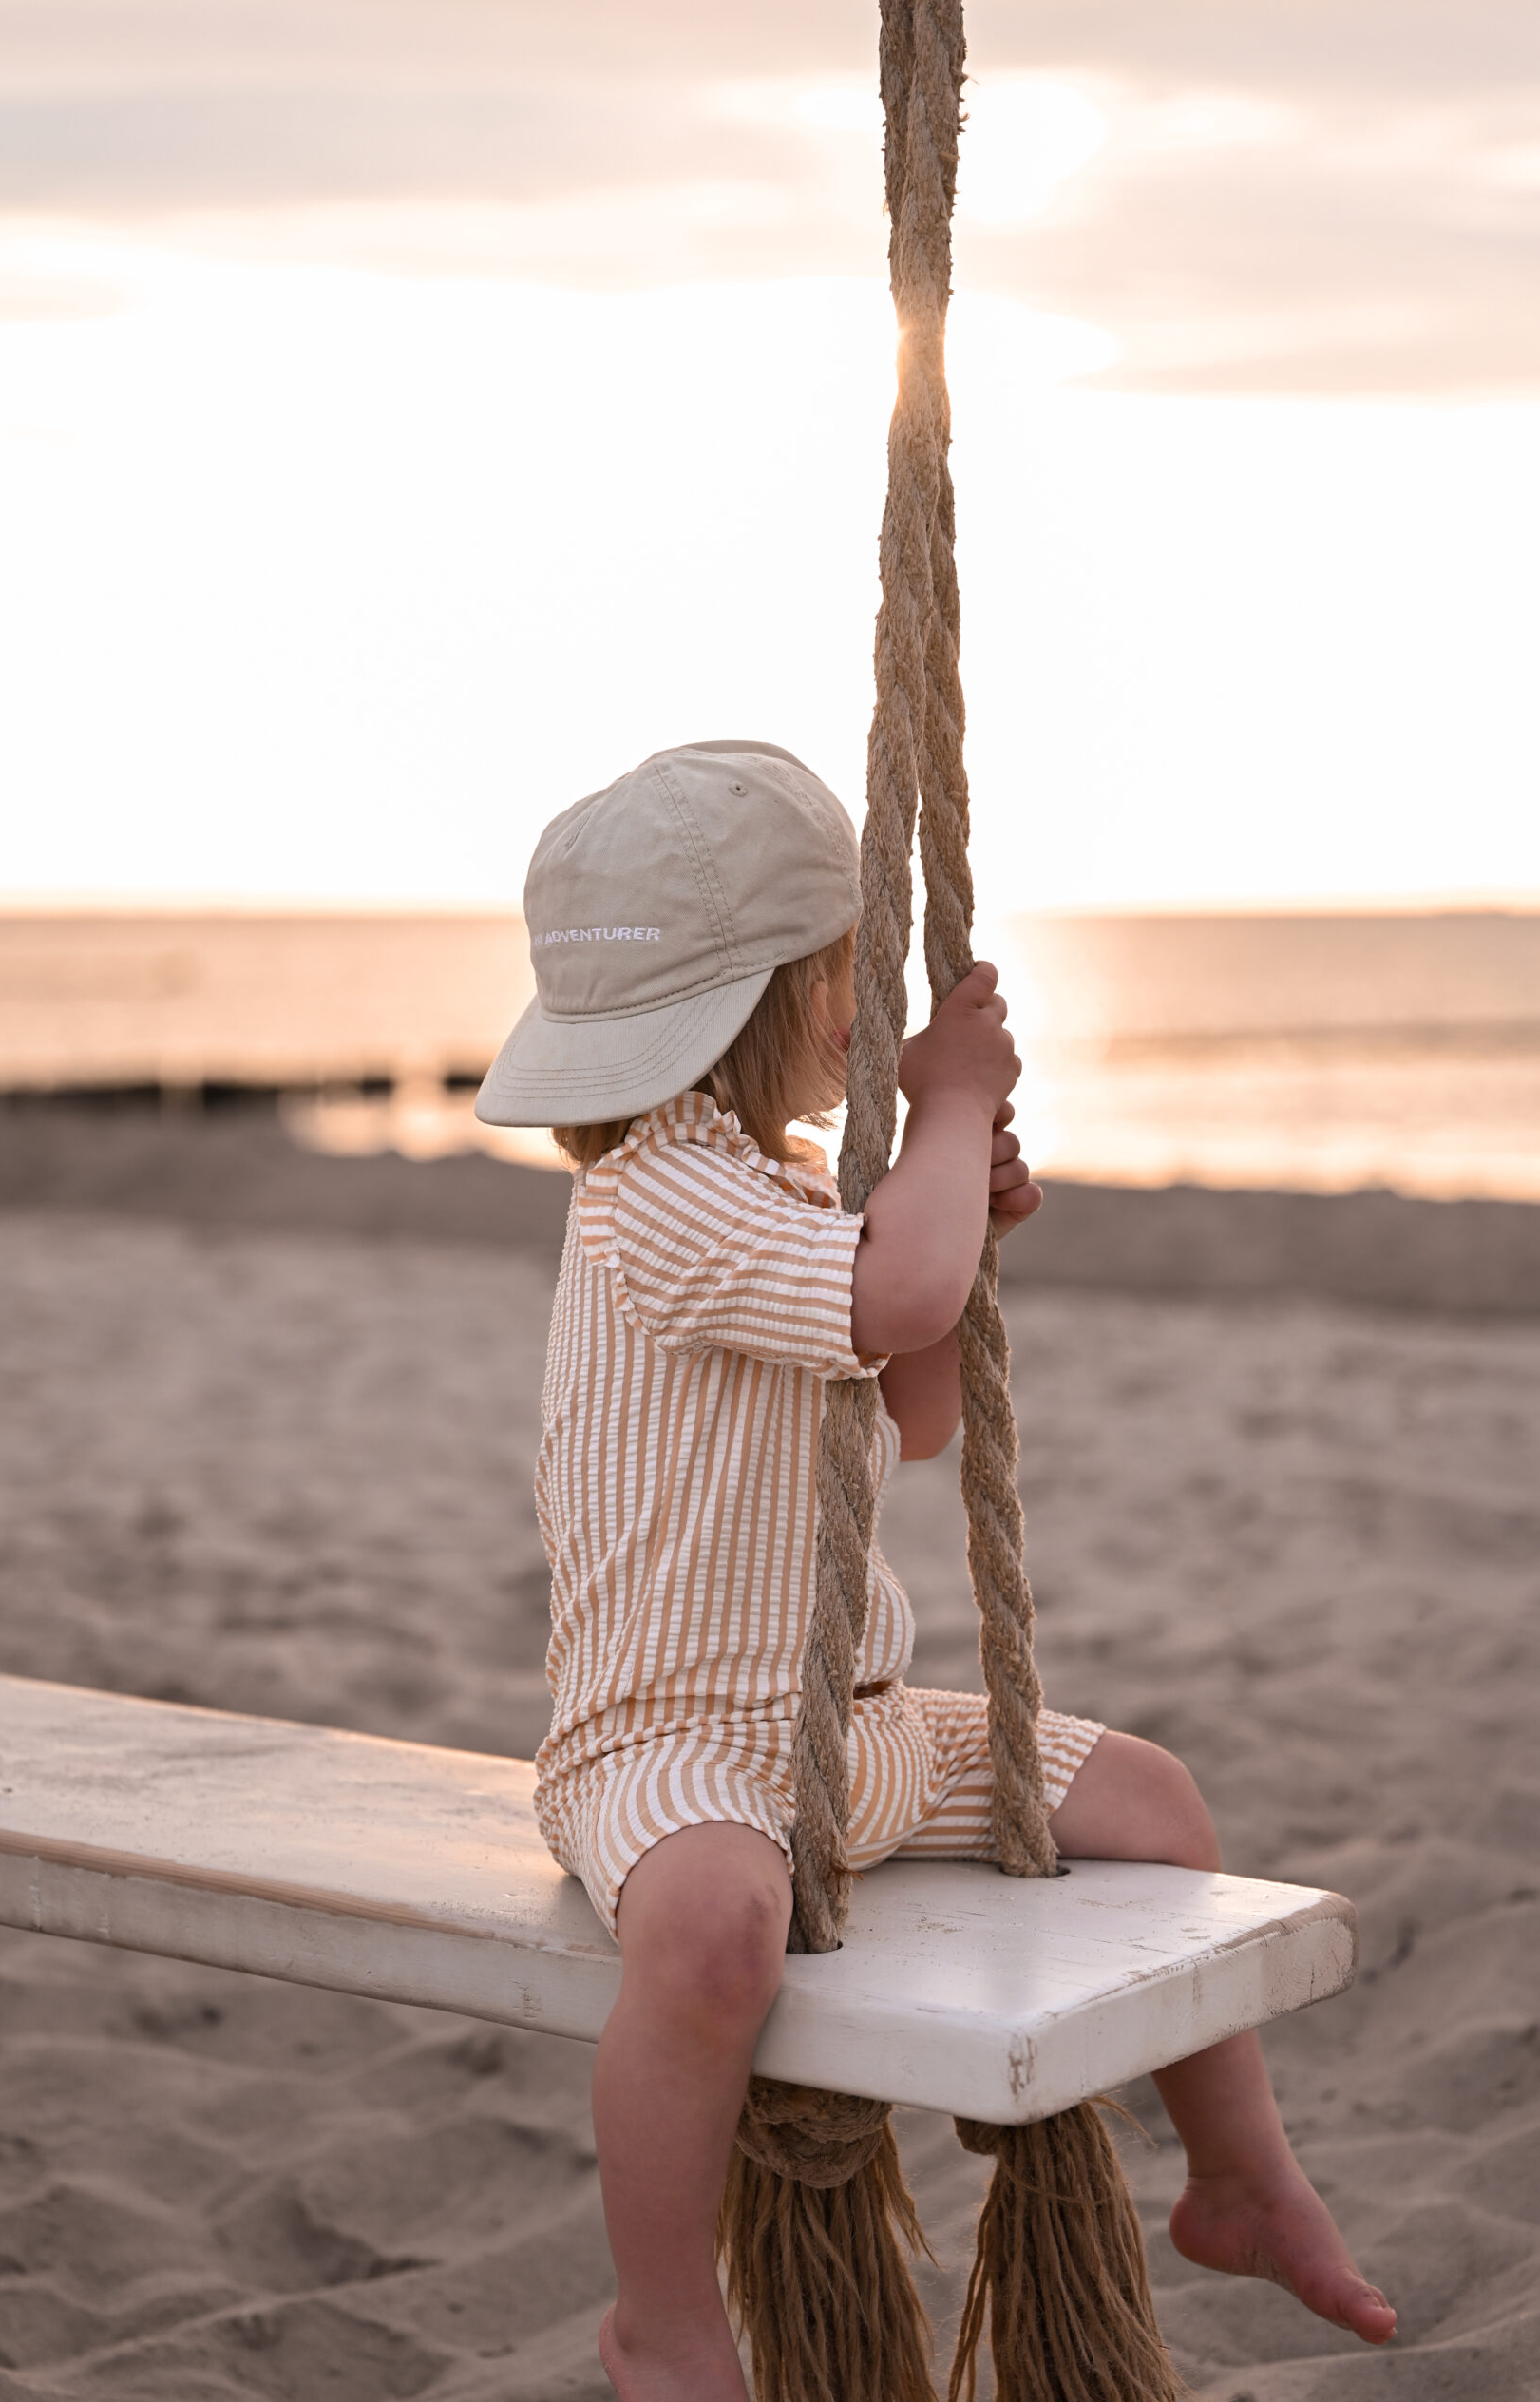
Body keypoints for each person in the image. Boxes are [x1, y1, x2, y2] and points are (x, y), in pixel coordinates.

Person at [477, 740, 1396, 2402]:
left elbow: (904, 1410)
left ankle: (1243, 2178)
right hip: (673, 1746)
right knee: (708, 1947)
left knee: (1157, 1806)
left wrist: (962, 1236)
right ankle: (660, 2316)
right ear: (793, 994)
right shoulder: (652, 1200)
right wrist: (953, 1113)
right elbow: (888, 1303)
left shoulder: (769, 1190)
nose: (870, 1000)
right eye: (849, 970)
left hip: (858, 1733)